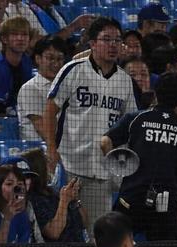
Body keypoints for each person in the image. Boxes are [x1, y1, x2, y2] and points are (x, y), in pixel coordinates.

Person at [103, 72, 177, 247]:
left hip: (131, 197)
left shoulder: (137, 118)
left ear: (156, 93)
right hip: (166, 205)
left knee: (114, 244)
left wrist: (119, 166)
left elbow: (105, 142)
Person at [45, 16, 137, 230]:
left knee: (96, 234)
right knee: (65, 230)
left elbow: (130, 123)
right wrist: (51, 148)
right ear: (92, 43)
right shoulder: (73, 70)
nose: (113, 45)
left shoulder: (125, 81)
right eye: (106, 39)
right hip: (70, 165)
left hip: (101, 172)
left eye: (117, 40)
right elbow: (50, 110)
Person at [0, 16, 33, 116]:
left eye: (24, 34)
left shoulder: (27, 62)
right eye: (15, 34)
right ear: (4, 39)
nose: (20, 38)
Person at [17, 35, 66, 141]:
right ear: (38, 59)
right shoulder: (30, 88)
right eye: (50, 58)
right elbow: (43, 130)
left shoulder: (66, 88)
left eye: (60, 59)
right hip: (37, 152)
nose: (56, 64)